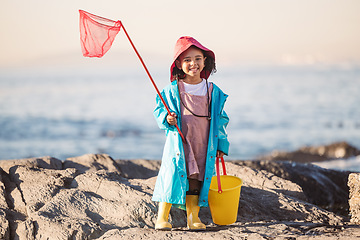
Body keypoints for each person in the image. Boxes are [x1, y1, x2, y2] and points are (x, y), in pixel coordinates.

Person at [152, 36, 229, 230]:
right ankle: (162, 217)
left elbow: (221, 119)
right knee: (172, 176)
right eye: (187, 60)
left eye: (197, 58)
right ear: (178, 63)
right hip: (179, 142)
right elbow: (159, 110)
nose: (193, 63)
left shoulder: (212, 90)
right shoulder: (172, 90)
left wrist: (221, 145)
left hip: (203, 143)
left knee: (196, 179)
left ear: (205, 61)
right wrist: (166, 119)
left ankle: (193, 217)